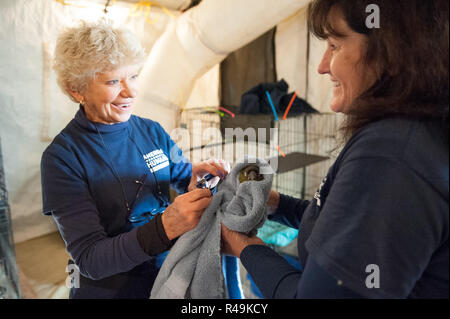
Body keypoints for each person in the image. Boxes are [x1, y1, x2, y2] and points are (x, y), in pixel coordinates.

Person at [221, 0, 449, 299]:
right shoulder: (416, 133)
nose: (322, 66)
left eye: (334, 46)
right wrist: (275, 203)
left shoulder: (389, 154)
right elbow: (339, 226)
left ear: (391, 50)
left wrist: (241, 244)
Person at [40, 20, 228, 299]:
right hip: (110, 288)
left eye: (134, 76)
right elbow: (90, 259)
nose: (131, 92)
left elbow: (175, 171)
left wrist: (194, 174)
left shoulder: (150, 130)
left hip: (166, 276)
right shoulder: (62, 158)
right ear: (76, 90)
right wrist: (165, 227)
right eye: (114, 81)